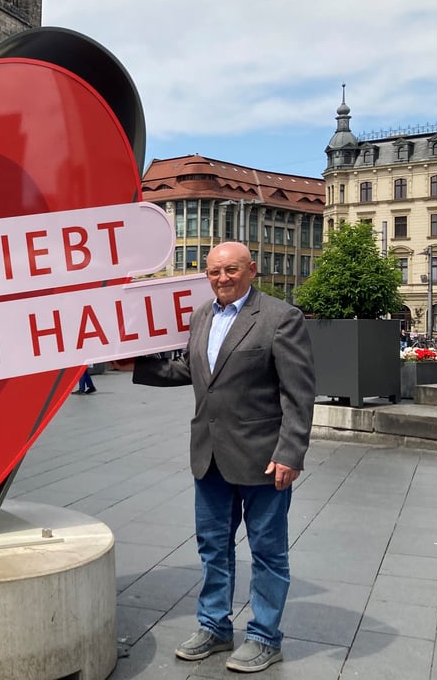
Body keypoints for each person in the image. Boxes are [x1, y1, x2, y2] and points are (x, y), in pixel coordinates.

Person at [132, 242, 315, 673]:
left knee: (268, 552)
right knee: (213, 549)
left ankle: (266, 637)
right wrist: (136, 366)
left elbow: (299, 392)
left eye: (231, 270)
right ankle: (215, 627)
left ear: (252, 269)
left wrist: (291, 452)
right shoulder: (202, 316)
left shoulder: (280, 318)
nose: (222, 279)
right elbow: (194, 373)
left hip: (263, 459)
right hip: (209, 456)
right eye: (214, 272)